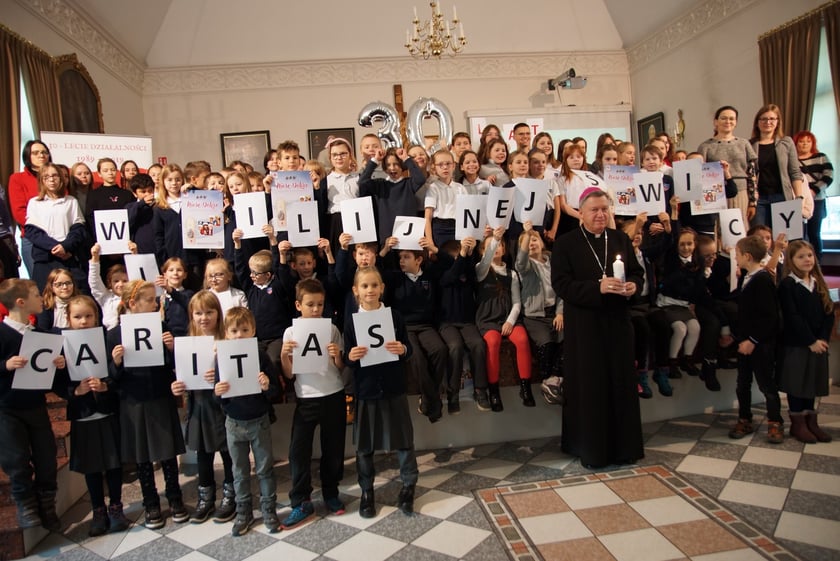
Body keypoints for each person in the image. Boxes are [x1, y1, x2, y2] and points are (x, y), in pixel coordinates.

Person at [550, 188, 644, 468]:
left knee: (620, 383)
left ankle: (625, 447)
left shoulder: (619, 239)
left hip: (617, 323)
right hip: (585, 327)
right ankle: (591, 450)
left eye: (605, 209)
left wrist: (633, 287)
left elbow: (637, 272)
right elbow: (561, 284)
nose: (601, 214)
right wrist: (597, 287)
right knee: (591, 387)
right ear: (581, 213)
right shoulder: (566, 244)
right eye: (595, 210)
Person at [106, 280, 188, 528]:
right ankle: (150, 502)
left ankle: (174, 497)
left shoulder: (161, 327)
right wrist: (116, 362)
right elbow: (110, 378)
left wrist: (172, 348)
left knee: (167, 451)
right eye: (151, 300)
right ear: (133, 303)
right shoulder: (114, 335)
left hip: (159, 395)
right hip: (132, 401)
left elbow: (172, 364)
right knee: (142, 455)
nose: (156, 303)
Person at [344, 267, 417, 518]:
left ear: (382, 288)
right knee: (364, 445)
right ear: (356, 291)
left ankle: (409, 486)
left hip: (394, 386)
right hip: (366, 389)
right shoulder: (351, 320)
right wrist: (351, 356)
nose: (370, 290)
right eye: (365, 286)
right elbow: (347, 355)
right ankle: (367, 492)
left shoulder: (394, 316)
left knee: (404, 440)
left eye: (374, 285)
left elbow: (408, 349)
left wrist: (403, 350)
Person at [279, 279, 346, 528]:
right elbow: (288, 374)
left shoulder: (332, 329)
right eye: (310, 305)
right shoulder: (290, 332)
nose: (316, 309)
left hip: (333, 393)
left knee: (333, 449)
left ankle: (331, 493)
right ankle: (301, 500)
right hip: (306, 397)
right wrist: (284, 355)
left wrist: (336, 356)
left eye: (320, 304)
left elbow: (340, 368)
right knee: (298, 451)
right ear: (299, 305)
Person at [0, 278, 66, 530]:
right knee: (16, 458)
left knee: (46, 455)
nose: (42, 298)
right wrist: (5, 365)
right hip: (7, 408)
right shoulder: (2, 333)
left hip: (35, 405)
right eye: (37, 294)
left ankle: (47, 505)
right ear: (20, 302)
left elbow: (47, 375)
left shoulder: (40, 335)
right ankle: (25, 504)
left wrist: (58, 366)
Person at [62, 295, 131, 536]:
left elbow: (117, 373)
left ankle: (115, 507)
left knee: (113, 463)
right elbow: (57, 383)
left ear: (97, 316)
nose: (83, 321)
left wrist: (107, 384)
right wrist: (74, 391)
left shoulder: (106, 338)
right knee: (91, 467)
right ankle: (98, 510)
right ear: (69, 319)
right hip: (83, 414)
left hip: (107, 410)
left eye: (88, 316)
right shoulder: (63, 344)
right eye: (77, 317)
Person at [213, 307, 281, 535]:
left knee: (264, 468)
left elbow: (275, 390)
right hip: (233, 423)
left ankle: (269, 509)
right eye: (234, 330)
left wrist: (266, 386)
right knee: (239, 471)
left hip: (258, 421)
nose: (239, 335)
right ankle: (243, 511)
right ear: (226, 333)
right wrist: (218, 391)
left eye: (244, 329)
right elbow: (217, 395)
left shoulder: (260, 355)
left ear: (253, 330)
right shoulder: (220, 357)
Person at [170, 291, 236, 523]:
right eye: (198, 313)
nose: (204, 317)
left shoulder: (226, 341)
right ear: (191, 315)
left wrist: (221, 370)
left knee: (228, 453)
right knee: (203, 454)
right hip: (199, 405)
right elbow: (182, 377)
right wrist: (178, 386)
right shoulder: (188, 342)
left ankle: (231, 496)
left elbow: (237, 376)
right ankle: (206, 497)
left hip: (223, 406)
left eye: (209, 312)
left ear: (219, 314)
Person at [777, 240, 835, 444]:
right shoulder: (788, 285)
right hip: (798, 344)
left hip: (818, 344)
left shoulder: (817, 282)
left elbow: (828, 313)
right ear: (791, 261)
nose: (807, 260)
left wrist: (822, 339)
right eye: (801, 257)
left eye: (809, 255)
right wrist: (810, 340)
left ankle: (812, 422)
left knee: (812, 382)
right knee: (797, 383)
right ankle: (797, 423)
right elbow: (793, 317)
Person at [729, 235, 783, 443]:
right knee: (743, 383)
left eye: (738, 255)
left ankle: (775, 421)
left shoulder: (762, 280)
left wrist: (752, 340)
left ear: (748, 256)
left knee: (766, 385)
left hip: (760, 345)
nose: (736, 259)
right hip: (745, 344)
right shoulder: (747, 277)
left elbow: (769, 317)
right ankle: (745, 418)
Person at [475, 227, 534, 411]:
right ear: (484, 251)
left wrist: (510, 321)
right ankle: (493, 391)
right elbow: (485, 263)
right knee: (492, 342)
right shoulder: (481, 270)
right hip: (488, 318)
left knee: (522, 339)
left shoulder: (512, 273)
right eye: (492, 246)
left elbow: (517, 302)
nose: (497, 248)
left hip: (508, 318)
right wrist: (493, 239)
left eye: (500, 244)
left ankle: (526, 387)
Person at [516, 221, 564, 404]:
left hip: (554, 313)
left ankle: (554, 381)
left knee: (564, 343)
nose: (532, 243)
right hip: (535, 316)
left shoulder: (553, 262)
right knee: (547, 344)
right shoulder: (526, 267)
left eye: (535, 239)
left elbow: (561, 289)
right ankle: (549, 380)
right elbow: (520, 261)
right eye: (528, 242)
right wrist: (527, 233)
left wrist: (560, 312)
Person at [24, 164, 88, 292]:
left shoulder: (71, 201)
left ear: (61, 178)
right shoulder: (35, 202)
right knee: (45, 300)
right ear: (41, 181)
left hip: (67, 256)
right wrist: (54, 247)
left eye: (55, 176)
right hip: (45, 258)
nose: (51, 180)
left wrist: (65, 246)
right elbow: (32, 231)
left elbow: (78, 229)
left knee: (80, 294)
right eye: (46, 177)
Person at [697, 106, 757, 226]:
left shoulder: (744, 143)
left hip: (740, 191)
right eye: (723, 118)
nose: (727, 121)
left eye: (731, 119)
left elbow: (752, 174)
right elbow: (699, 173)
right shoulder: (705, 146)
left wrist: (753, 201)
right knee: (718, 228)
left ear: (736, 122)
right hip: (715, 193)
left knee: (739, 227)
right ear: (716, 122)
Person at [749, 104, 804, 227]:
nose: (767, 122)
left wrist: (799, 197)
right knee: (759, 238)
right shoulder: (749, 145)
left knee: (784, 237)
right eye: (763, 119)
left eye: (772, 119)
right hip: (759, 199)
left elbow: (795, 172)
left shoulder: (786, 142)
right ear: (757, 122)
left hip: (782, 196)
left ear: (778, 122)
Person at [359, 146, 425, 243]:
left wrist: (406, 159)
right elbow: (362, 182)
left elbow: (420, 179)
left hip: (408, 238)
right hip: (386, 238)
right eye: (388, 165)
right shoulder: (380, 185)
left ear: (402, 166)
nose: (392, 168)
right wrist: (375, 160)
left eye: (396, 164)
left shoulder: (409, 184)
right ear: (385, 168)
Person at [8, 140, 51, 276]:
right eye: (36, 153)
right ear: (28, 156)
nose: (41, 155)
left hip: (59, 237)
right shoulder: (18, 179)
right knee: (39, 286)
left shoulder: (56, 176)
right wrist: (40, 231)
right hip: (33, 238)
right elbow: (19, 212)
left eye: (44, 152)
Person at [794, 130, 833, 261]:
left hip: (817, 200)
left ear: (813, 143)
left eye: (808, 141)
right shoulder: (793, 160)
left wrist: (814, 190)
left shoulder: (821, 157)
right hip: (798, 201)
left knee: (814, 233)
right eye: (801, 141)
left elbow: (828, 176)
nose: (804, 144)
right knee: (798, 234)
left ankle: (817, 263)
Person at [89, 243, 130, 330]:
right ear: (110, 283)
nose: (121, 284)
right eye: (116, 281)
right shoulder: (105, 297)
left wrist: (134, 254)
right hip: (112, 335)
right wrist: (95, 258)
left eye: (125, 281)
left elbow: (139, 276)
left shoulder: (136, 297)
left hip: (131, 333)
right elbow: (94, 281)